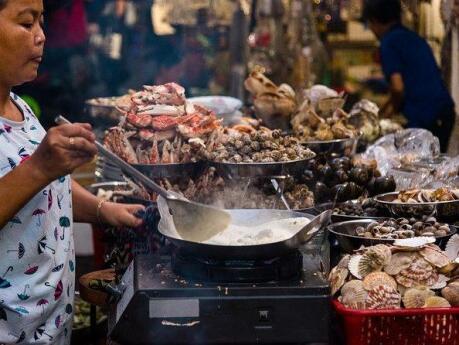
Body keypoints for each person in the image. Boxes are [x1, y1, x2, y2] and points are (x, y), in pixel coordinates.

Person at [0, 1, 144, 344]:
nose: (42, 37)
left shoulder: (17, 104)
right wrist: (40, 167)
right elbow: (36, 175)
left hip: (48, 324)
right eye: (26, 23)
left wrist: (103, 210)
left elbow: (46, 188)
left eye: (41, 22)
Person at [363, 0, 456, 152]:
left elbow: (398, 88)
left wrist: (385, 115)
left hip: (427, 117)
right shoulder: (413, 37)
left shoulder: (388, 42)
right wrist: (383, 111)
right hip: (444, 112)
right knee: (433, 166)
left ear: (374, 21)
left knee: (419, 168)